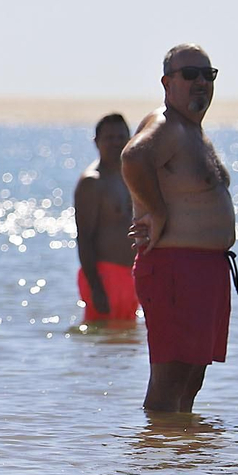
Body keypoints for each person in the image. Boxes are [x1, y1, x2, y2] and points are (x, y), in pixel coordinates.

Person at [121, 43, 238, 412]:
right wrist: (157, 213)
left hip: (206, 271)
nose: (201, 81)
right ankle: (155, 459)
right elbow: (134, 156)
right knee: (169, 379)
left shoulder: (193, 131)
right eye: (190, 74)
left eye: (208, 74)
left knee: (191, 381)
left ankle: (181, 459)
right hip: (174, 268)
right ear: (167, 83)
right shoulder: (166, 124)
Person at [74, 112, 137, 322]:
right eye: (109, 138)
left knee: (126, 342)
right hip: (104, 276)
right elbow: (84, 237)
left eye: (121, 137)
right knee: (102, 342)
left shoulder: (130, 177)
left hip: (130, 275)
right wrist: (96, 288)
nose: (116, 143)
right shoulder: (93, 182)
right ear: (97, 142)